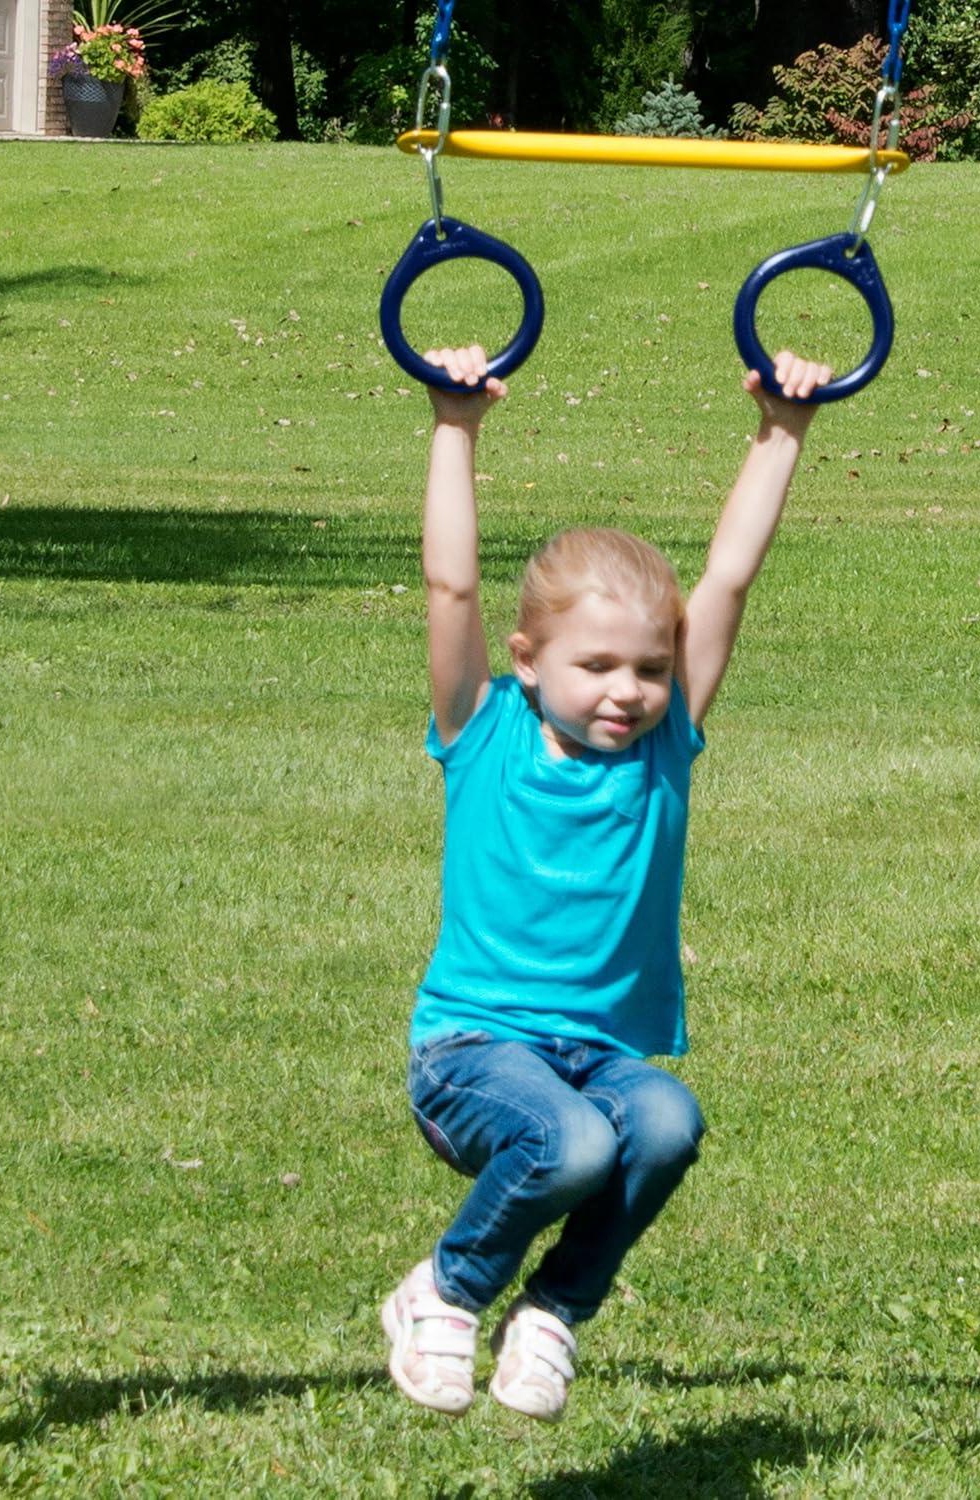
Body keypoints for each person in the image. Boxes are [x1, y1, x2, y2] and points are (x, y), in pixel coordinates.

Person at [383, 344, 832, 1421]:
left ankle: (552, 1311)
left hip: (599, 1059)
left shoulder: (664, 749)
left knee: (668, 1119)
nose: (627, 693)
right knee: (574, 1143)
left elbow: (724, 580)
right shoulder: (482, 731)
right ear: (528, 660)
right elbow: (451, 581)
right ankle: (444, 1292)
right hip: (473, 1056)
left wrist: (783, 433)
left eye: (648, 669)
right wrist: (455, 424)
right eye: (594, 667)